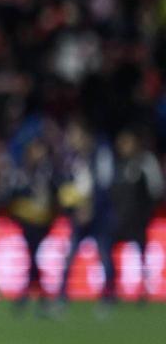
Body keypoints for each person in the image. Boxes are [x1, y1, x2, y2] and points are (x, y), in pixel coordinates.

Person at [55, 121, 117, 309]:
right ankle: (62, 298)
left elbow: (105, 183)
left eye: (74, 134)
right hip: (79, 216)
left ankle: (108, 298)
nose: (70, 139)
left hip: (100, 216)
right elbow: (67, 184)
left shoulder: (101, 153)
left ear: (84, 135)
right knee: (70, 255)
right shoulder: (72, 158)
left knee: (105, 255)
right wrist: (73, 206)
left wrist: (91, 208)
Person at [0, 136, 57, 315]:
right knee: (33, 258)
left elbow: (55, 194)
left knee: (33, 258)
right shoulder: (21, 172)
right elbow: (9, 194)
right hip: (27, 222)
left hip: (42, 222)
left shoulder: (47, 172)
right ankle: (39, 299)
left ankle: (28, 298)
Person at [109, 128, 163, 302]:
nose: (123, 146)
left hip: (139, 217)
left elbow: (157, 188)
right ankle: (111, 289)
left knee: (141, 252)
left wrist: (147, 210)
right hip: (119, 216)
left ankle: (144, 290)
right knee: (109, 250)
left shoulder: (146, 161)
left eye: (127, 142)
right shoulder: (117, 163)